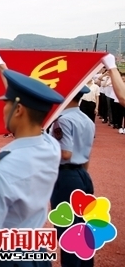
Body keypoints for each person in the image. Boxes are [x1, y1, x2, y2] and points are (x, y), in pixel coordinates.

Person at [0, 48, 64, 266]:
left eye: (6, 104)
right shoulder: (51, 146)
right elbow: (25, 102)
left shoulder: (2, 164)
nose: (3, 109)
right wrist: (0, 66)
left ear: (18, 110)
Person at [48, 86, 95, 267]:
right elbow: (87, 154)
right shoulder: (87, 120)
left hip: (66, 176)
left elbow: (65, 153)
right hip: (82, 174)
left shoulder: (63, 120)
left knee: (68, 232)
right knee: (84, 231)